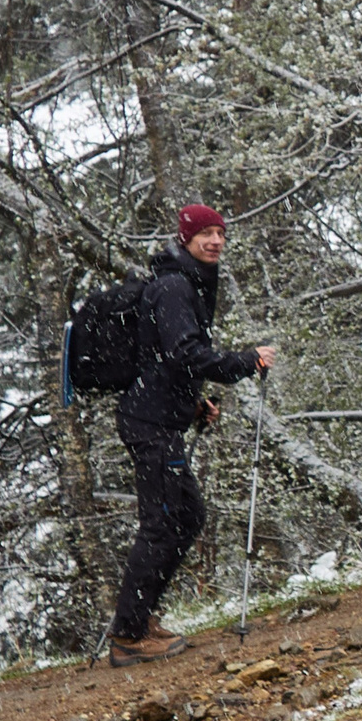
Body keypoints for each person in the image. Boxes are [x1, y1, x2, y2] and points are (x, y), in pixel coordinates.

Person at [111, 205, 274, 666]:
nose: (216, 241)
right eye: (206, 233)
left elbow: (165, 360)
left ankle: (140, 619)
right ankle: (128, 635)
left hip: (161, 418)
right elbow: (185, 354)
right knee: (163, 523)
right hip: (150, 424)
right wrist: (245, 361)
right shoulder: (175, 287)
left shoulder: (187, 282)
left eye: (221, 233)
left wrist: (194, 405)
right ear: (186, 238)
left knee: (186, 517)